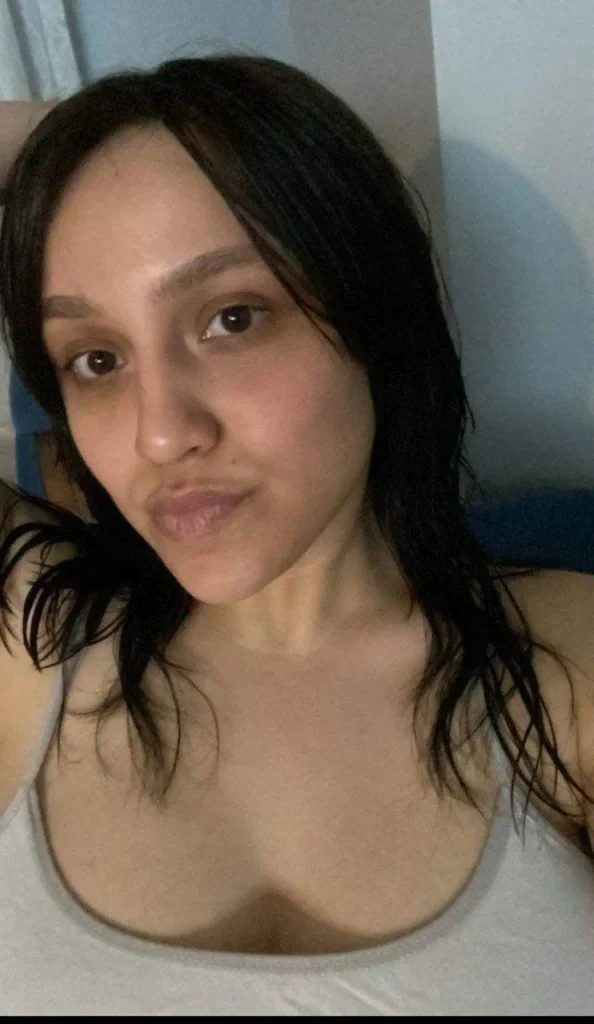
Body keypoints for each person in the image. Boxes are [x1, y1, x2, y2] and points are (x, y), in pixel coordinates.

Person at [0, 55, 592, 1015]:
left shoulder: (562, 663)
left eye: (232, 318)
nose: (161, 434)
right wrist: (85, 137)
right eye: (96, 359)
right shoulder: (31, 647)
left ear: (373, 313)